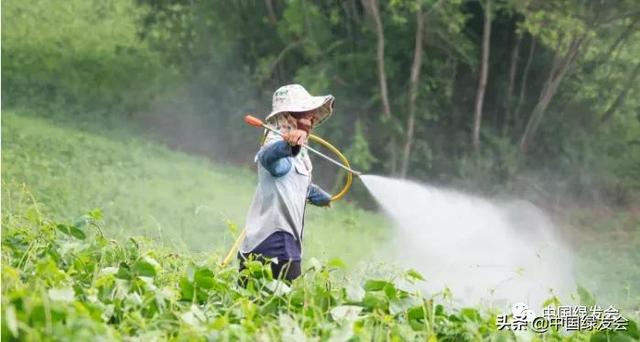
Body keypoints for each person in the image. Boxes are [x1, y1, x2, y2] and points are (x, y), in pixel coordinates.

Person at [238, 84, 334, 282]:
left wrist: (322, 198)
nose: (313, 118)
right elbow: (270, 160)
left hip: (275, 243)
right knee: (280, 309)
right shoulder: (275, 141)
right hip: (275, 243)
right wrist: (287, 145)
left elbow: (296, 186)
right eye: (308, 113)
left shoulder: (301, 152)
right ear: (291, 115)